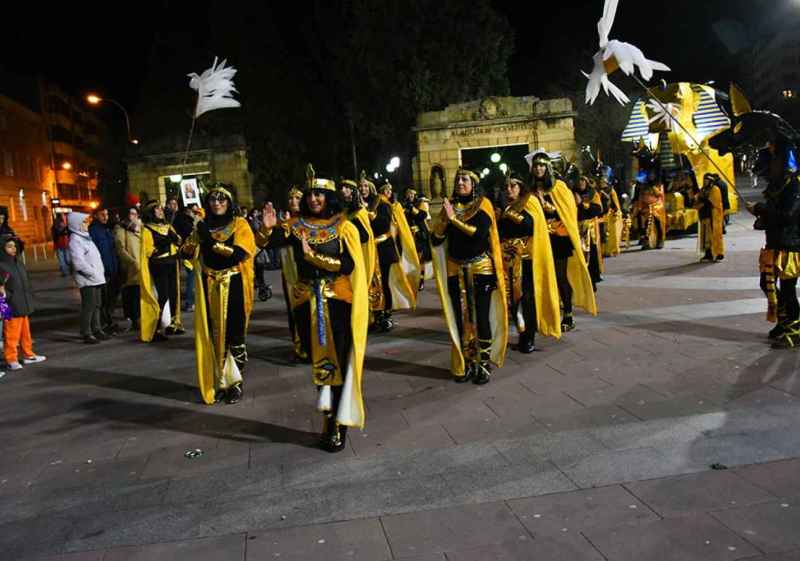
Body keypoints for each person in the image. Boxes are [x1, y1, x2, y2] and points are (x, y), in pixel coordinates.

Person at [260, 167, 368, 451]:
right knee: (319, 367)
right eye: (310, 194)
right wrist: (266, 229)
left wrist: (315, 258)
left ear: (329, 197)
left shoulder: (344, 226)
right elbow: (268, 244)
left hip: (337, 303)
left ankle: (338, 424)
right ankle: (328, 418)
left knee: (339, 364)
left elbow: (349, 265)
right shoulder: (297, 228)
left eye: (319, 194)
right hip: (307, 305)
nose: (313, 199)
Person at [431, 167, 507, 384]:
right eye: (457, 180)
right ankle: (466, 361)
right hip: (456, 269)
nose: (460, 183)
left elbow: (479, 234)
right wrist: (445, 220)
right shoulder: (450, 207)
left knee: (480, 317)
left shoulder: (483, 205)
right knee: (461, 318)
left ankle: (483, 364)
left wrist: (454, 220)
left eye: (465, 179)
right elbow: (436, 239)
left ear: (474, 183)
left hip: (480, 269)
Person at [183, 184, 255, 404]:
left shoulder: (239, 224)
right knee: (214, 335)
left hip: (232, 284)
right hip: (208, 284)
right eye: (213, 200)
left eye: (222, 200)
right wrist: (187, 237)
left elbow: (238, 255)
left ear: (229, 203)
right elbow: (186, 251)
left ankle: (236, 382)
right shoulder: (203, 226)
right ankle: (220, 381)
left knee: (234, 332)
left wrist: (210, 241)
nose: (217, 203)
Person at [529, 151, 597, 331]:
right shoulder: (530, 189)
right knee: (541, 276)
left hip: (558, 238)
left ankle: (568, 315)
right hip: (537, 239)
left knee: (560, 277)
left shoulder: (558, 187)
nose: (538, 169)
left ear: (548, 167)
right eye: (536, 166)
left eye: (542, 165)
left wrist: (545, 204)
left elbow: (566, 212)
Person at [497, 171, 561, 353]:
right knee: (513, 300)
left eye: (513, 186)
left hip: (527, 259)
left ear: (521, 187)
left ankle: (528, 337)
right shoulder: (505, 206)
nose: (509, 190)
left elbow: (530, 226)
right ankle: (521, 332)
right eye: (506, 187)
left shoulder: (529, 202)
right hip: (509, 258)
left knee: (527, 299)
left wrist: (510, 214)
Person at [363, 176, 419, 332]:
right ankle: (373, 314)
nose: (363, 189)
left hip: (384, 249)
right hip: (367, 250)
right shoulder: (357, 205)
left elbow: (384, 224)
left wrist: (370, 215)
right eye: (361, 187)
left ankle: (385, 314)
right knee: (370, 284)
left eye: (366, 186)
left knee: (384, 283)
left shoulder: (383, 204)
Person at [139, 201, 184, 343]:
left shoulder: (167, 226)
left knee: (174, 293)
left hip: (172, 262)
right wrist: (163, 244)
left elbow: (178, 241)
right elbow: (148, 250)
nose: (160, 211)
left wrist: (175, 238)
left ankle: (172, 324)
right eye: (156, 209)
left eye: (160, 208)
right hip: (159, 265)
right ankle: (155, 328)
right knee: (162, 295)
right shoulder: (147, 229)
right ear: (151, 212)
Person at [0, 235, 46, 370]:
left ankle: (27, 354)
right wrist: (8, 297)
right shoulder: (1, 265)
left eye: (14, 246)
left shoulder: (18, 262)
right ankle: (11, 359)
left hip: (23, 302)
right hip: (9, 305)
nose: (13, 249)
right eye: (9, 246)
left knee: (25, 332)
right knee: (11, 333)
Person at [69, 212, 107, 343]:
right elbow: (78, 262)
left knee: (97, 304)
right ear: (77, 224)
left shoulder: (85, 237)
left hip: (95, 278)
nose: (87, 224)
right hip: (87, 279)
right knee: (89, 306)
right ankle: (86, 332)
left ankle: (97, 329)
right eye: (84, 222)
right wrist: (92, 272)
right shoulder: (75, 240)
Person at [89, 208, 121, 335]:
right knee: (103, 299)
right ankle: (104, 324)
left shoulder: (106, 229)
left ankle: (109, 321)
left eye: (107, 214)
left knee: (111, 298)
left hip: (112, 268)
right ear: (96, 215)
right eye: (102, 214)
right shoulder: (94, 231)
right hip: (102, 270)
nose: (105, 217)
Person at [574, 176, 605, 290]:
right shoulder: (572, 193)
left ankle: (592, 281)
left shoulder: (593, 194)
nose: (581, 182)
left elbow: (598, 209)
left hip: (590, 230)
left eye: (583, 180)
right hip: (576, 228)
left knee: (591, 255)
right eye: (579, 180)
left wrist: (582, 203)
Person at [114, 207, 142, 331]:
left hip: (142, 266)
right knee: (131, 294)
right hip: (131, 266)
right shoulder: (121, 228)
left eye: (135, 214)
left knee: (139, 293)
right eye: (131, 213)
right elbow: (120, 248)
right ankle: (133, 319)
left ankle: (140, 318)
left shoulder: (140, 227)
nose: (133, 216)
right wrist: (132, 262)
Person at [403, 187, 433, 289]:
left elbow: (422, 215)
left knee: (420, 259)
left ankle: (421, 280)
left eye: (412, 193)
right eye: (408, 193)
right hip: (408, 235)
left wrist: (412, 209)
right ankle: (411, 280)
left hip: (420, 235)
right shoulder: (404, 205)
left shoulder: (420, 203)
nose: (410, 195)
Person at [172, 203, 198, 313]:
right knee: (191, 278)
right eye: (194, 211)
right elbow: (190, 233)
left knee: (192, 278)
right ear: (188, 210)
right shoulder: (183, 221)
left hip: (189, 252)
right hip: (187, 252)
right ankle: (189, 302)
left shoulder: (180, 219)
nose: (195, 214)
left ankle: (191, 301)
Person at [693, 173, 725, 262]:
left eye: (707, 180)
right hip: (704, 216)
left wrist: (703, 202)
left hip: (712, 216)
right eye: (704, 180)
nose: (705, 182)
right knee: (705, 237)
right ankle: (708, 254)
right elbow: (698, 198)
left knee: (713, 236)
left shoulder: (715, 189)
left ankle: (717, 253)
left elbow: (714, 202)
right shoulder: (702, 189)